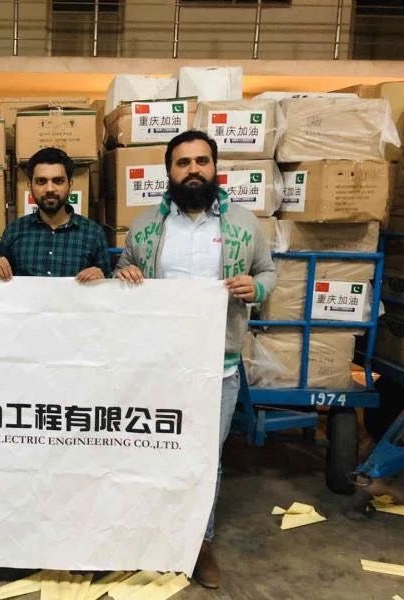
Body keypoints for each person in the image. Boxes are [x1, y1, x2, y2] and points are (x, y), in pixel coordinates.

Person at [115, 130, 276, 589]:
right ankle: (147, 534)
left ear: (214, 167)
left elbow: (268, 271)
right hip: (157, 363)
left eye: (201, 161)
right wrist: (125, 272)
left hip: (217, 366)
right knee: (149, 448)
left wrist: (256, 287)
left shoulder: (243, 223)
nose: (193, 170)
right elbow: (122, 270)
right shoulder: (146, 226)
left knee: (205, 457)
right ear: (169, 171)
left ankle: (199, 543)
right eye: (183, 162)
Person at [0, 147, 110, 282]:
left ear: (70, 185)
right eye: (41, 181)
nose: (50, 189)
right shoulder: (14, 231)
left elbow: (109, 285)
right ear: (30, 187)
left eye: (58, 181)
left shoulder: (93, 233)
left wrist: (102, 278)